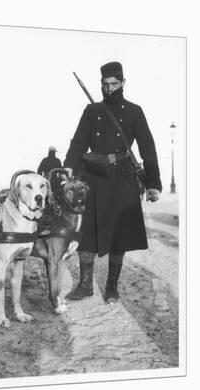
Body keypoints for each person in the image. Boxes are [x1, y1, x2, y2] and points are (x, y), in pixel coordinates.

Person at [63, 61, 162, 304]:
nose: (109, 89)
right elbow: (78, 143)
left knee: (119, 233)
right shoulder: (91, 110)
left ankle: (112, 286)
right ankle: (86, 284)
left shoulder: (134, 111)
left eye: (114, 84)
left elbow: (148, 148)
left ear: (123, 83)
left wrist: (153, 183)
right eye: (105, 85)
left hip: (122, 178)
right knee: (86, 232)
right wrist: (69, 166)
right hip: (94, 177)